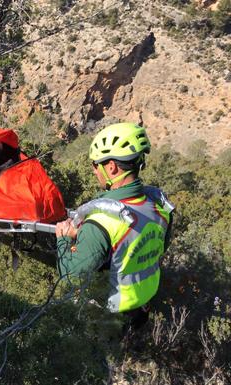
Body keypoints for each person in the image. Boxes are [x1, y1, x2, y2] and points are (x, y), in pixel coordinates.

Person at [54, 122, 174, 329]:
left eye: (95, 164)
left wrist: (64, 237)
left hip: (111, 315)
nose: (94, 171)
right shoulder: (159, 204)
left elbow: (70, 275)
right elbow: (158, 246)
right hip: (143, 302)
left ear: (111, 167)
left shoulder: (102, 221)